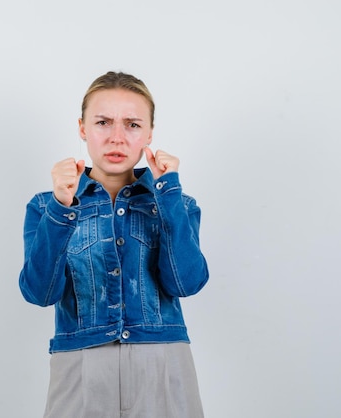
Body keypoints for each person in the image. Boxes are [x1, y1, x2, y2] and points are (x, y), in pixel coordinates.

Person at [18, 71, 209, 418]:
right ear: (82, 128)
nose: (117, 138)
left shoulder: (177, 203)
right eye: (103, 122)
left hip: (162, 363)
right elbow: (39, 292)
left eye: (133, 125)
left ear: (150, 132)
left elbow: (186, 283)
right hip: (80, 366)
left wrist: (168, 194)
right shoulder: (46, 206)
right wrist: (62, 208)